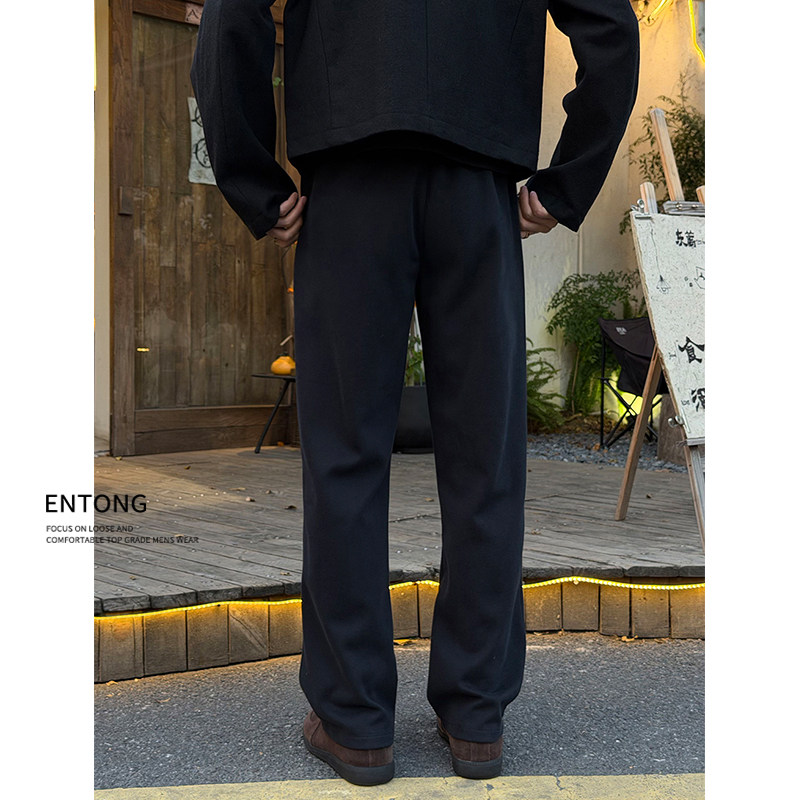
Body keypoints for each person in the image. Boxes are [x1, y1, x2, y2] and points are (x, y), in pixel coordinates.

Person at [191, 0, 639, 786]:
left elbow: (231, 17)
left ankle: (355, 720)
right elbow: (611, 25)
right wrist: (566, 182)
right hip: (477, 183)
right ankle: (475, 715)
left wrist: (255, 179)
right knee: (484, 461)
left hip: (350, 179)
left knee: (344, 458)